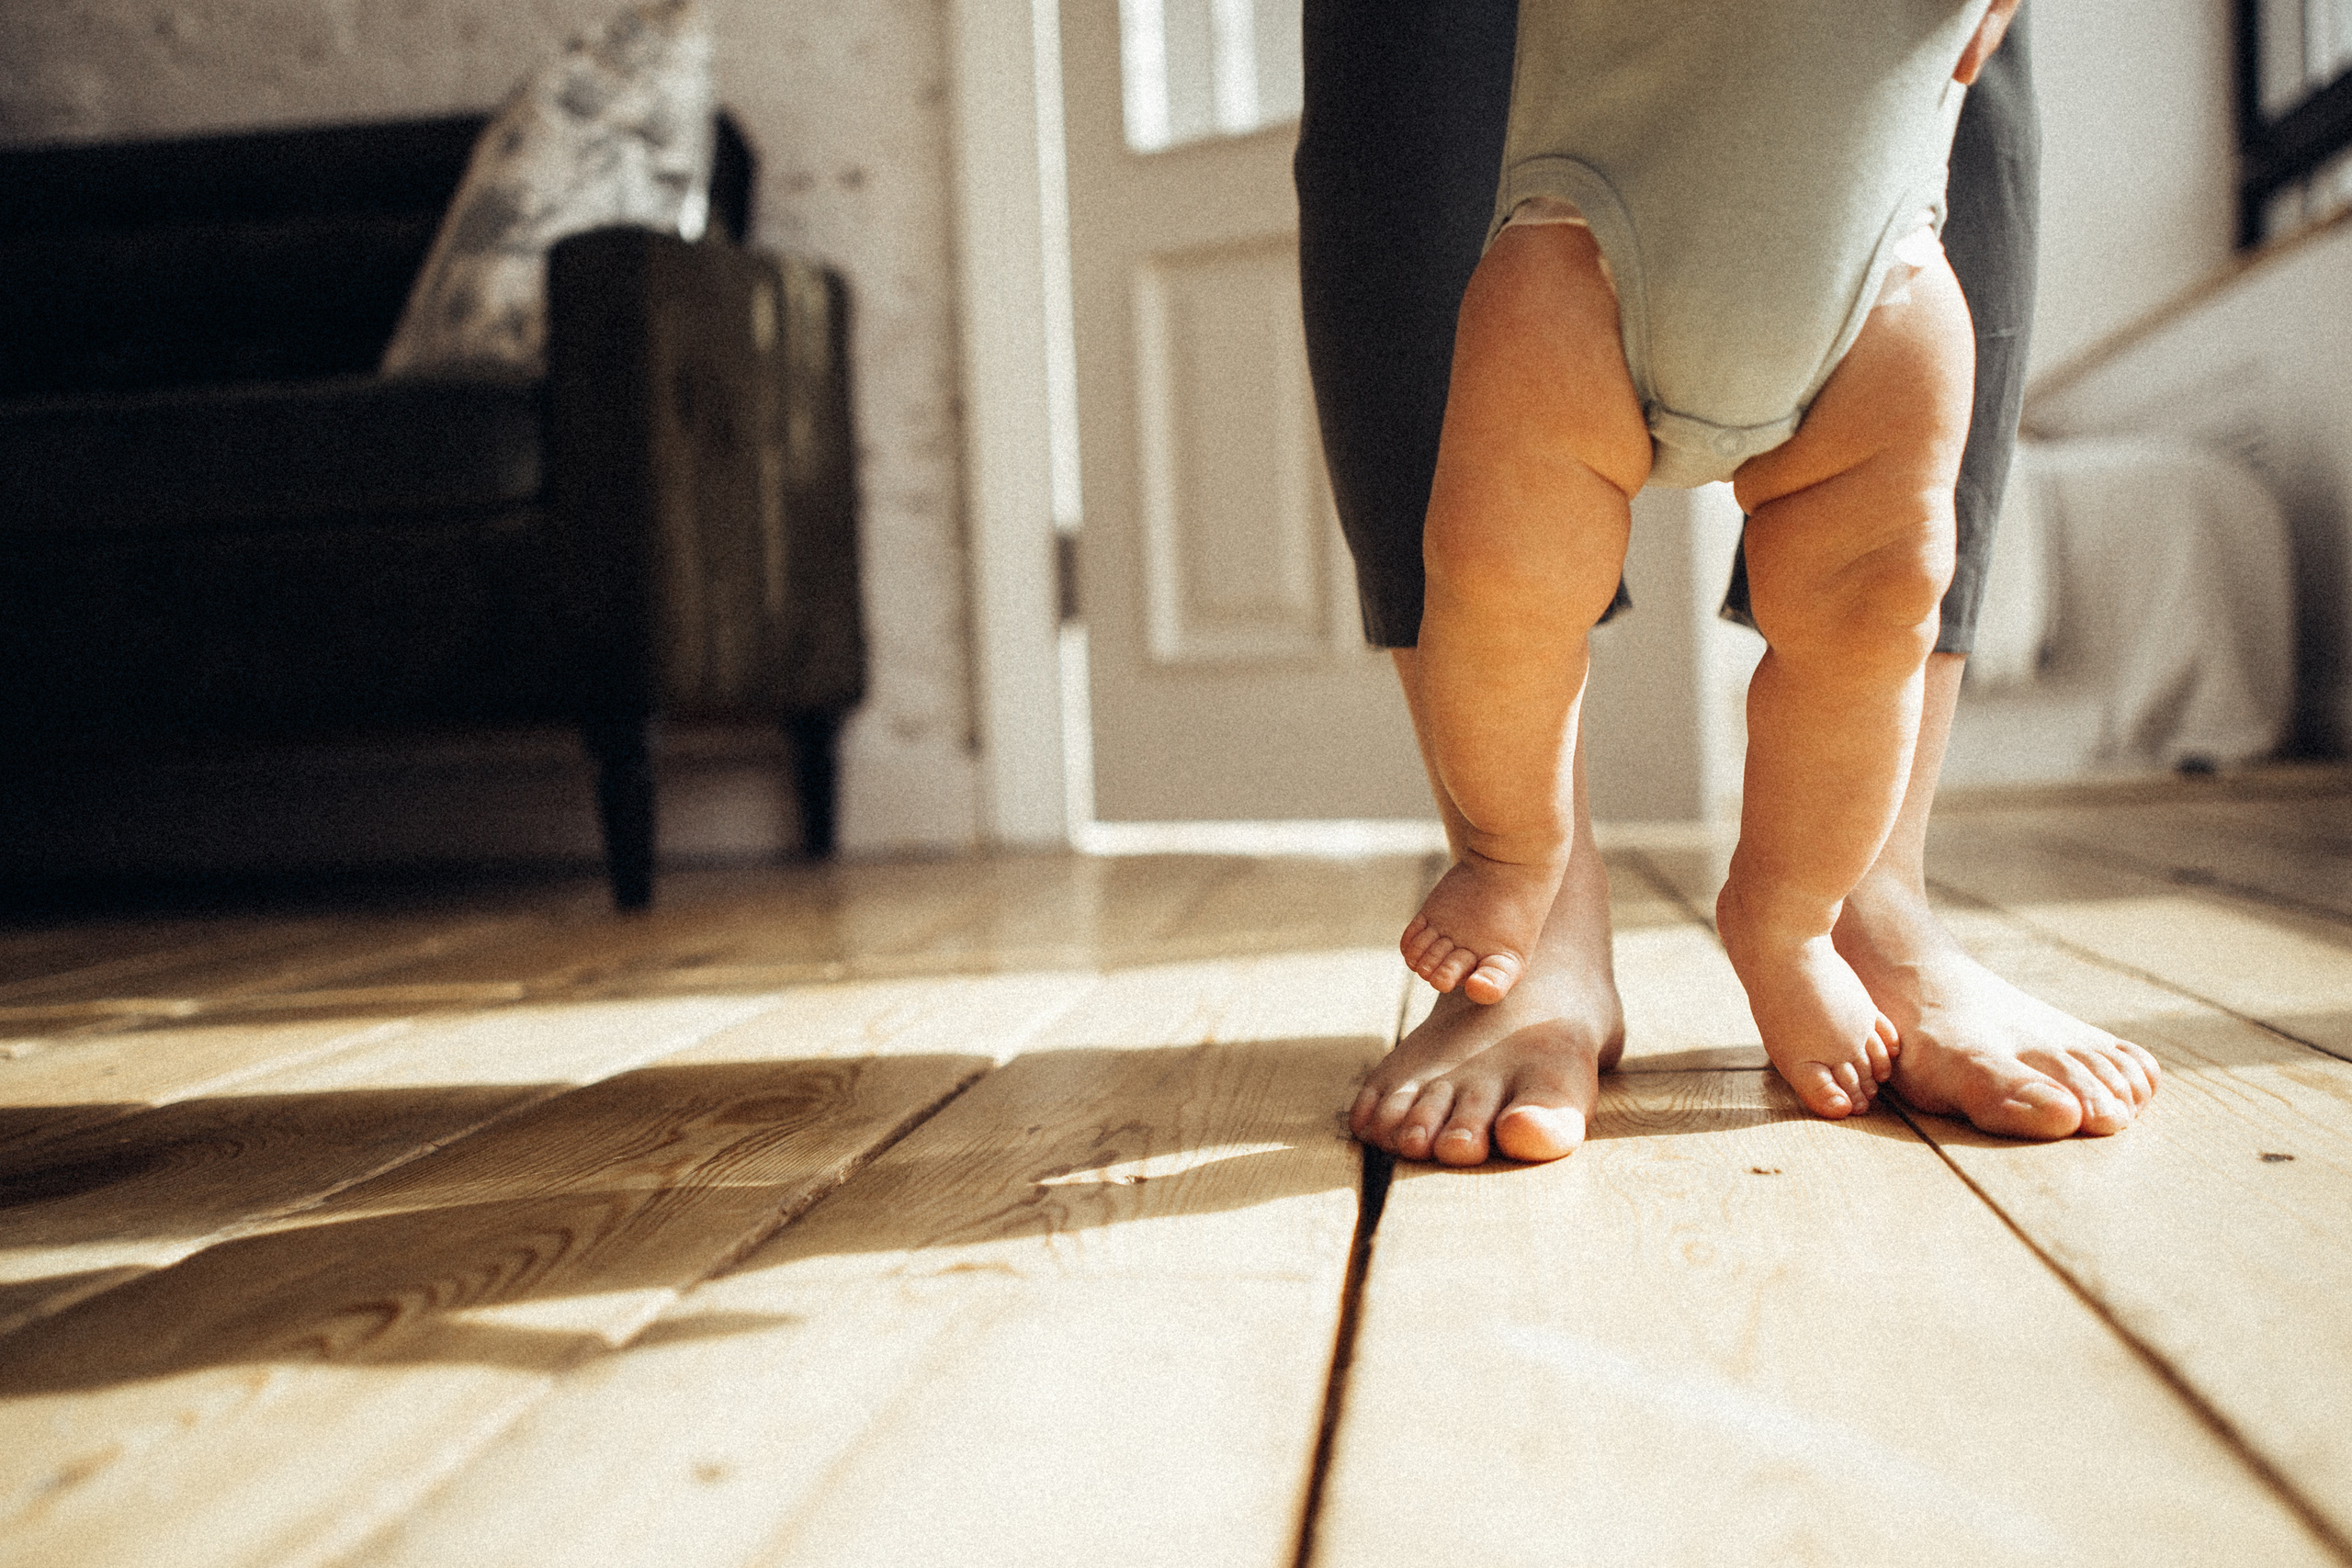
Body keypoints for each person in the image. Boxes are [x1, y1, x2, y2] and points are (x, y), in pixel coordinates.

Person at [1296, 0, 2163, 1162]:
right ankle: (1519, 873)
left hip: (1884, 274)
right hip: (1576, 256)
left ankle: (1814, 913)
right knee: (1504, 593)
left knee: (1870, 618)